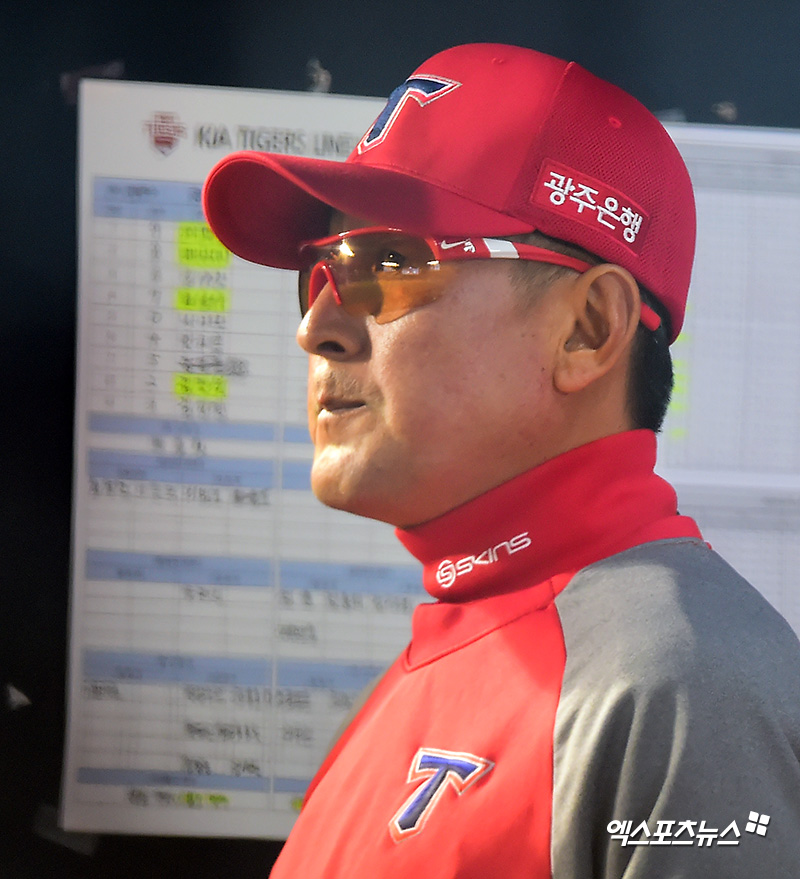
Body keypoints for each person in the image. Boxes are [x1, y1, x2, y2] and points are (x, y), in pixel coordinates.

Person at [203, 43, 800, 878]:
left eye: (387, 264)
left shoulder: (684, 686)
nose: (317, 328)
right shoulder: (465, 641)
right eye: (321, 272)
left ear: (587, 329)